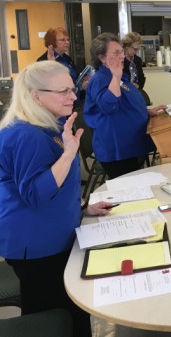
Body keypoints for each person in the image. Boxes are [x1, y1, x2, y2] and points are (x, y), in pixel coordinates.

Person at [0, 61, 113, 337]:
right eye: (63, 91)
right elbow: (36, 195)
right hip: (38, 246)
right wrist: (68, 154)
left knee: (70, 312)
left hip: (53, 235)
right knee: (53, 318)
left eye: (72, 89)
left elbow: (58, 186)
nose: (73, 97)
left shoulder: (49, 124)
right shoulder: (26, 135)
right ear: (35, 96)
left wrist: (82, 207)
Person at [83, 33, 166, 179]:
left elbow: (127, 105)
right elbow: (109, 106)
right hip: (117, 150)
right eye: (116, 52)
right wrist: (116, 76)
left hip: (130, 144)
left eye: (121, 51)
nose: (122, 56)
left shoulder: (118, 76)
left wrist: (147, 112)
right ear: (101, 57)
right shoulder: (101, 79)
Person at [37, 27, 84, 100]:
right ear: (52, 42)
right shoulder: (43, 61)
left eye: (68, 39)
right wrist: (52, 65)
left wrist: (82, 85)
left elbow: (74, 79)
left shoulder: (68, 58)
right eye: (62, 40)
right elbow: (46, 86)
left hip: (75, 100)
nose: (67, 42)